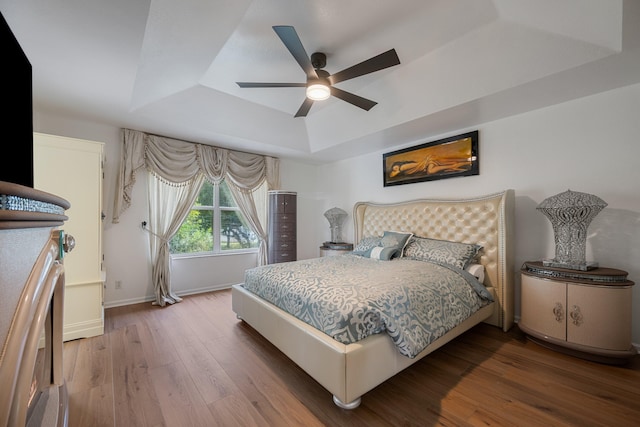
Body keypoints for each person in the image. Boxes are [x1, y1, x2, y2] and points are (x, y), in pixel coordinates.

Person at [389, 154, 471, 178]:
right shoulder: (405, 171)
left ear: (398, 165)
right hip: (428, 164)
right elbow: (392, 175)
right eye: (394, 169)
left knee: (430, 171)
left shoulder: (403, 167)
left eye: (395, 167)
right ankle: (463, 163)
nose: (395, 169)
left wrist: (426, 161)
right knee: (450, 166)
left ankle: (462, 163)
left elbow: (419, 165)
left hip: (428, 163)